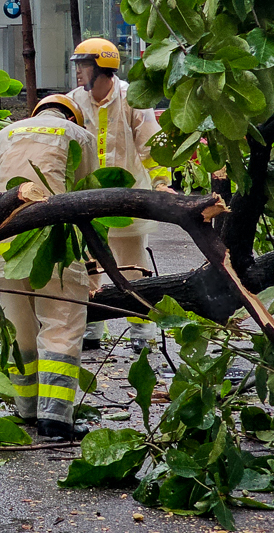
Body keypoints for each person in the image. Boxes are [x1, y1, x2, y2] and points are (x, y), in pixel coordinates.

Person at [0, 94, 98, 441]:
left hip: (8, 245)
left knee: (20, 330)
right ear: (73, 116)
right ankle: (55, 420)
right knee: (61, 326)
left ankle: (26, 410)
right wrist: (94, 263)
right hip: (58, 244)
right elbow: (91, 194)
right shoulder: (78, 136)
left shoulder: (3, 135)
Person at [66, 38, 172, 353]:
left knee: (133, 269)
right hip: (85, 202)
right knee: (88, 267)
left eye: (83, 65)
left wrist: (162, 183)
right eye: (78, 66)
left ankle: (141, 333)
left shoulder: (132, 99)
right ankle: (91, 329)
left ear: (103, 69)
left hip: (129, 199)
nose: (79, 73)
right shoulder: (73, 102)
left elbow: (152, 145)